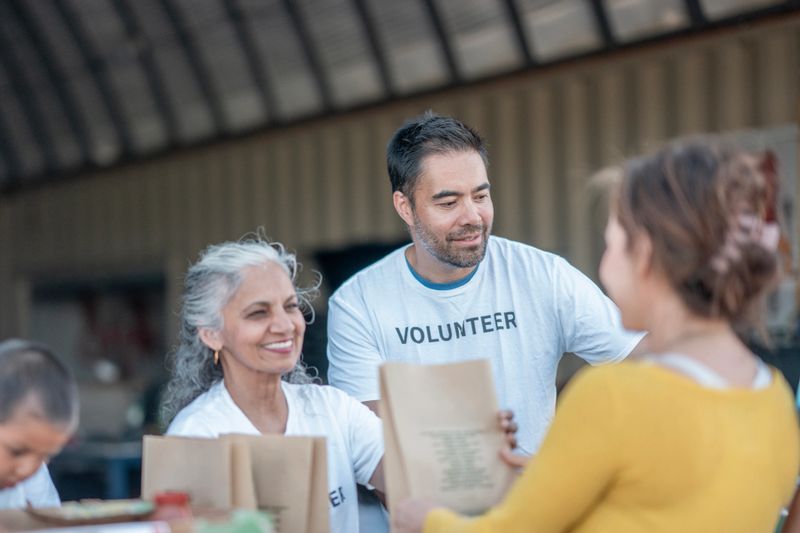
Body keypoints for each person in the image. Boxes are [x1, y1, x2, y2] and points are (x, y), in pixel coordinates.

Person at [392, 139, 800, 532]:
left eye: (611, 246)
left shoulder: (613, 396)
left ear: (643, 257)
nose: (603, 267)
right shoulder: (775, 400)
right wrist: (558, 472)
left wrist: (427, 521)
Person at [327, 111, 645, 456]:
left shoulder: (543, 275)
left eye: (480, 196)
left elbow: (648, 365)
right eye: (448, 202)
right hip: (426, 506)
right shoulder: (358, 303)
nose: (472, 217)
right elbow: (372, 450)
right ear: (405, 207)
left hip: (540, 503)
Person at [0, 338, 79, 509]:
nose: (27, 469)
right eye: (16, 451)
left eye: (44, 457)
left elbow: (49, 521)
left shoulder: (33, 475)